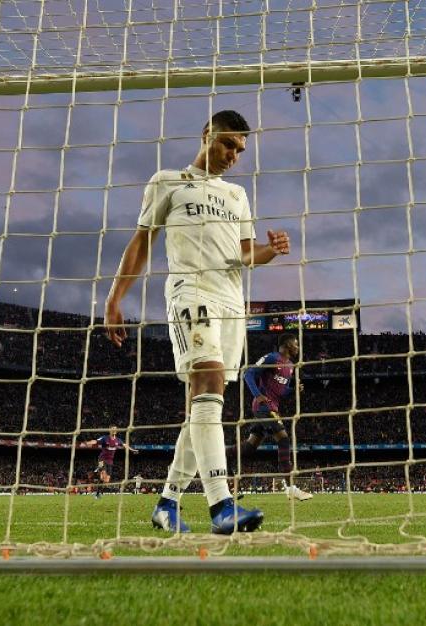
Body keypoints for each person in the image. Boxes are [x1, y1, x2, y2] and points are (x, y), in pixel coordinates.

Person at [105, 110, 291, 534]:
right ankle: (221, 505)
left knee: (203, 407)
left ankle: (167, 503)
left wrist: (270, 250)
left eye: (240, 150)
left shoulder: (237, 196)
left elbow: (245, 255)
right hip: (191, 292)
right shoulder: (167, 181)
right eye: (228, 144)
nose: (233, 155)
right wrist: (115, 297)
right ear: (207, 134)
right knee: (205, 384)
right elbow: (142, 241)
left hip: (231, 304)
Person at [229, 332, 311, 501]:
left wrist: (294, 390)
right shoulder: (271, 358)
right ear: (288, 345)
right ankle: (290, 487)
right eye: (296, 344)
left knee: (251, 446)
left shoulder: (290, 366)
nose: (298, 347)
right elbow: (248, 374)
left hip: (273, 407)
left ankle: (222, 456)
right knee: (283, 439)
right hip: (263, 407)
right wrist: (257, 395)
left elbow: (281, 391)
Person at [83, 425, 137, 499]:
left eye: (115, 429)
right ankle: (98, 471)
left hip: (110, 462)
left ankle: (97, 493)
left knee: (106, 481)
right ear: (109, 430)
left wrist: (132, 450)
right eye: (112, 429)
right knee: (103, 476)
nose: (114, 430)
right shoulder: (105, 438)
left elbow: (125, 445)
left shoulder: (118, 440)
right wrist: (88, 443)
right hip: (102, 459)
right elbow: (95, 441)